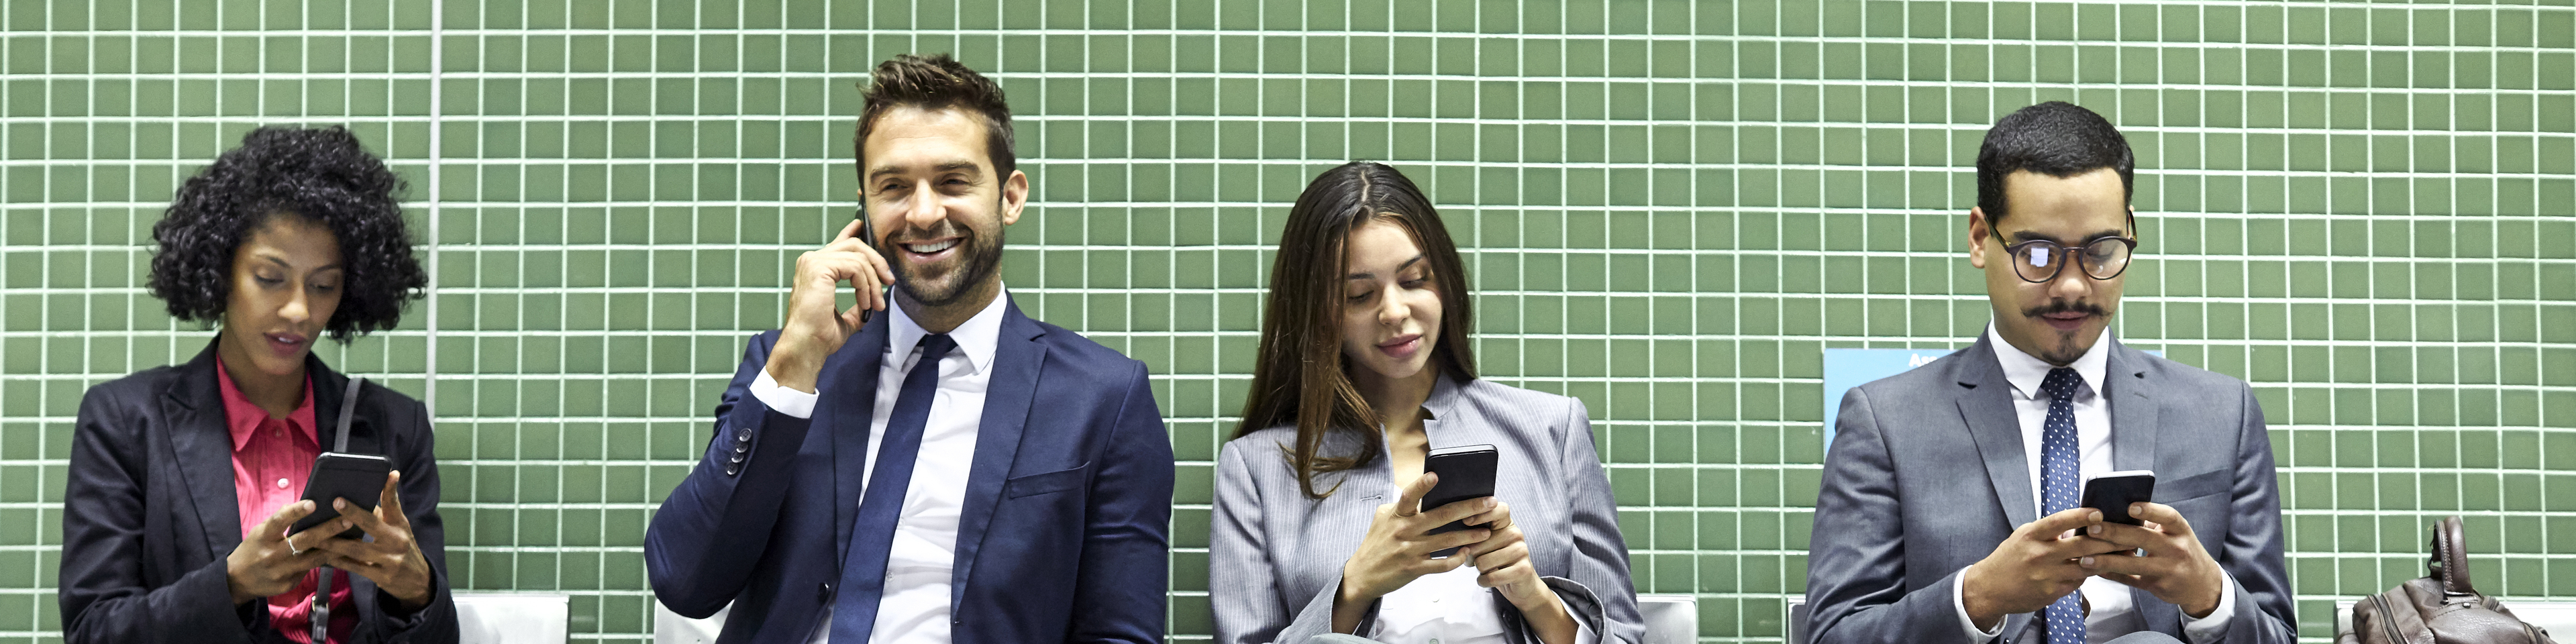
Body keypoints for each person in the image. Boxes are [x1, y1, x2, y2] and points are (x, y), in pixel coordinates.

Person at [644, 53, 1174, 644]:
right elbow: (684, 580)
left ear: (1010, 197)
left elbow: (1120, 633)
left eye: (953, 181)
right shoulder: (789, 369)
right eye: (893, 187)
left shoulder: (1101, 397)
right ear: (865, 208)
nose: (923, 214)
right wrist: (794, 363)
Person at [1803, 101, 2297, 644]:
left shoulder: (2222, 415)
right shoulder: (1886, 422)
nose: (2071, 286)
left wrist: (2209, 597)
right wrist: (1980, 597)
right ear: (1978, 237)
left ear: (2130, 233)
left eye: (2100, 251)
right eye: (2038, 254)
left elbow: (2275, 633)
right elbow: (1834, 635)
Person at [1209, 162, 1643, 644]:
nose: (1394, 312)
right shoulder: (1256, 468)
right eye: (1358, 295)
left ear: (1446, 281)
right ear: (1317, 314)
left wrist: (1534, 596)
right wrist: (1354, 588)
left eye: (1414, 279)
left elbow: (1624, 636)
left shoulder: (1551, 429)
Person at [60, 125, 456, 644]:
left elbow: (441, 634)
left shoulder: (394, 426)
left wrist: (418, 591)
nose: (298, 310)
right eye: (270, 278)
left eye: (323, 285)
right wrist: (232, 585)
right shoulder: (127, 421)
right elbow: (94, 631)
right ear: (221, 271)